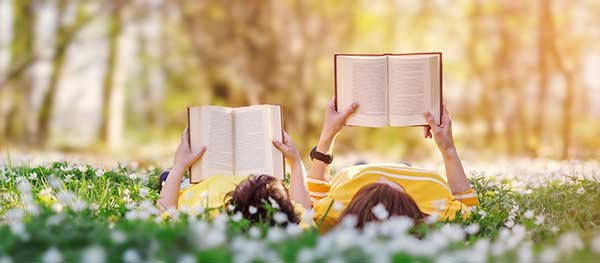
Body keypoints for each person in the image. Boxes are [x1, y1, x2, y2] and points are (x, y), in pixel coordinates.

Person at [307, 98, 479, 231]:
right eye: (394, 186)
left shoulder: (333, 214)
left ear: (357, 204)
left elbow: (314, 196)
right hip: (416, 176)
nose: (382, 176)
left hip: (355, 173)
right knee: (404, 165)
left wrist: (327, 135)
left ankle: (363, 166)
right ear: (409, 206)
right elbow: (472, 212)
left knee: (360, 164)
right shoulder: (439, 214)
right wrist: (448, 148)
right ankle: (404, 167)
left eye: (372, 187)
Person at [157, 128, 311, 226]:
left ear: (230, 206)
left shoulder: (205, 220)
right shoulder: (292, 222)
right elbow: (302, 208)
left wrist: (179, 166)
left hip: (197, 184)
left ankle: (168, 176)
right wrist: (295, 162)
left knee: (167, 177)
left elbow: (165, 211)